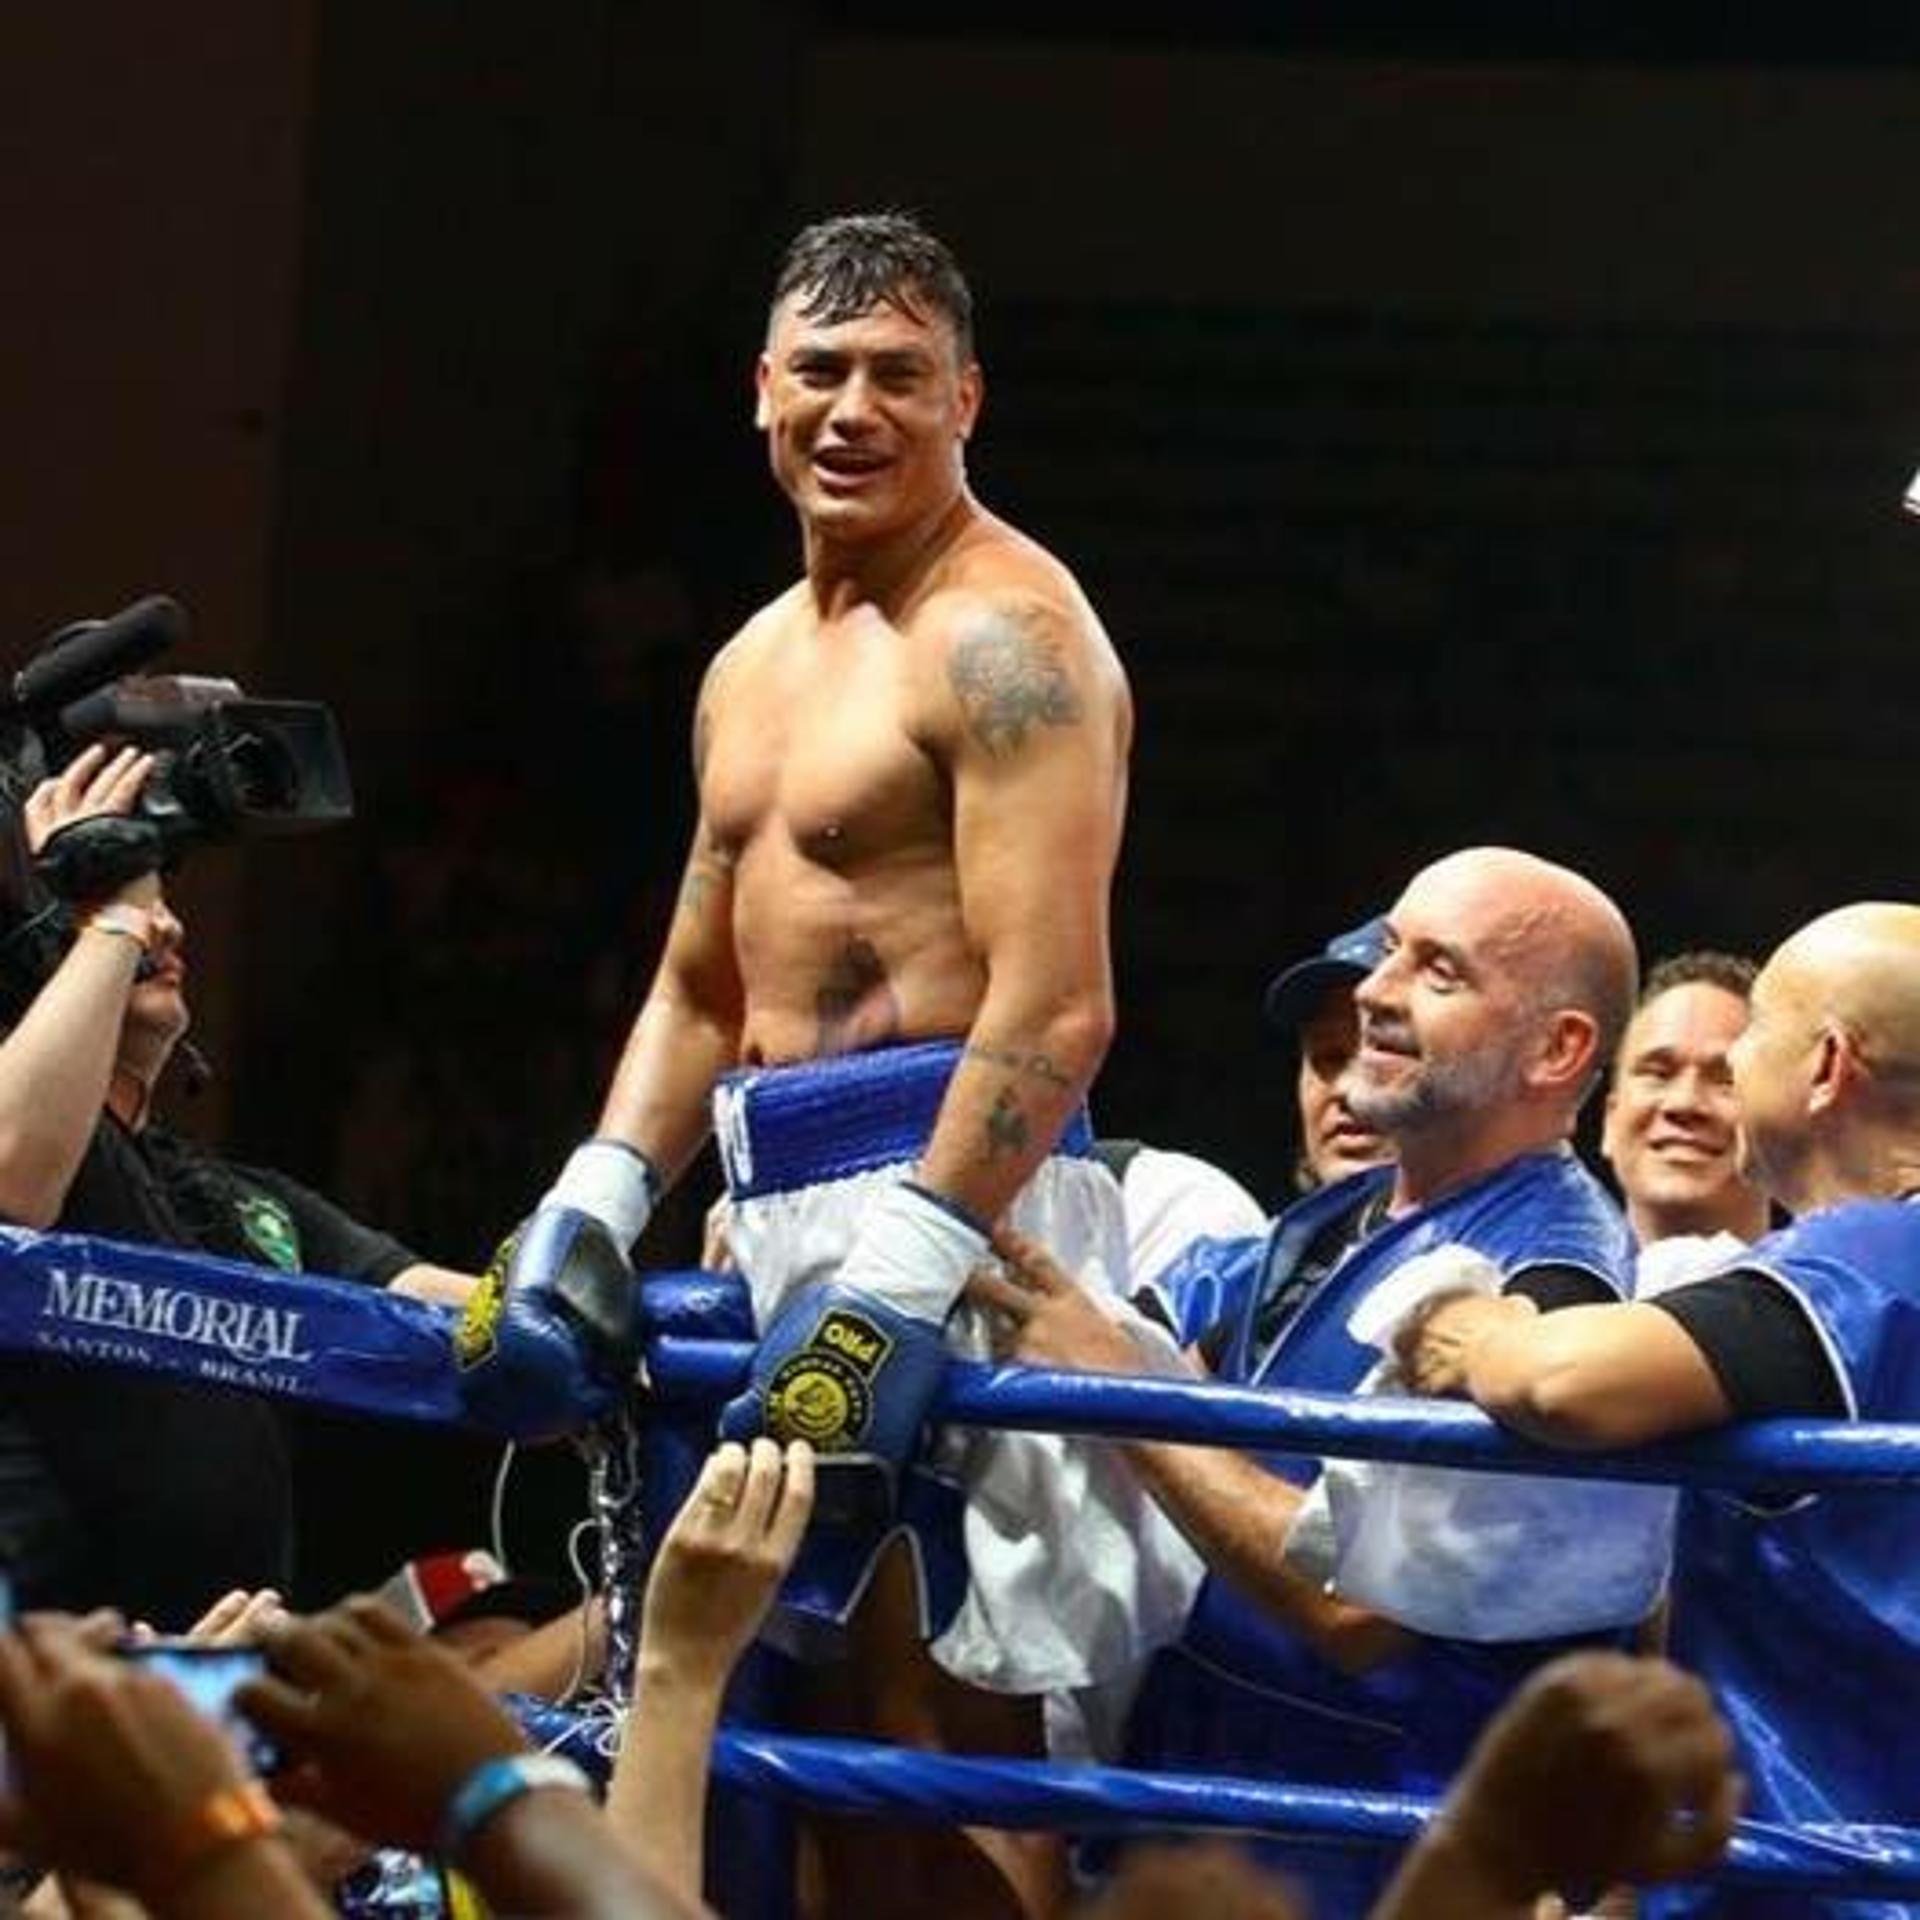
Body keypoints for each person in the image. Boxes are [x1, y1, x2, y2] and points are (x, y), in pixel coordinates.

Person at [471, 211, 1199, 1911]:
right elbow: (694, 987)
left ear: (967, 402)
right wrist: (595, 1196)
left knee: (938, 1741)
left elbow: (1058, 1007)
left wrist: (904, 1272)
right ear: (761, 392)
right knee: (758, 1738)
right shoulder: (749, 664)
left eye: (898, 376)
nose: (852, 409)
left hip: (952, 1205)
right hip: (771, 1197)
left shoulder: (1012, 638)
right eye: (821, 370)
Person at [971, 846, 1652, 1917]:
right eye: (1389, 954)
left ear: (1557, 1049)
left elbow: (1358, 1608)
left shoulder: (1550, 1277)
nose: (1376, 993)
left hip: (1378, 1855)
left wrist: (1113, 1387)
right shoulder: (1335, 1218)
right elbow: (1155, 1359)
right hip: (1211, 1812)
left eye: (1438, 971)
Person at [1399, 901, 1920, 1919]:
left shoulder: (1869, 1259)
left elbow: (1564, 1383)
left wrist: (1472, 1329)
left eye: (1750, 1037)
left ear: (1825, 1068)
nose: (1725, 1075)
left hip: (1831, 1873)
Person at [0, 745, 474, 1627]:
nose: (164, 924)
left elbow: (469, 1319)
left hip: (212, 1682)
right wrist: (115, 918)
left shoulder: (236, 1200)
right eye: (124, 900)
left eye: (160, 901)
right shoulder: (51, 1154)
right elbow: (11, 1177)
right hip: (43, 1691)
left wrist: (632, 1281)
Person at [1599, 950, 1769, 1289]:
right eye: (1658, 1073)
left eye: (1726, 1078)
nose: (1685, 1102)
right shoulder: (1513, 1301)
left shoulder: (1841, 1320)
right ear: (1609, 1121)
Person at [1263, 916, 1393, 1193]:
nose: (1350, 1091)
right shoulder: (1267, 1236)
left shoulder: (1503, 1233)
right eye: (1330, 1057)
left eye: (1384, 1051)